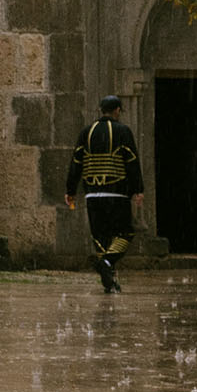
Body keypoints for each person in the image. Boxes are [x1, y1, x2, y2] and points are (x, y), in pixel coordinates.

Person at [65, 94, 146, 293]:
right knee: (125, 233)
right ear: (117, 110)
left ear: (101, 110)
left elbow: (76, 163)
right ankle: (107, 263)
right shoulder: (123, 131)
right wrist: (138, 189)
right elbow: (132, 162)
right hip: (116, 194)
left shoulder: (86, 132)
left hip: (92, 195)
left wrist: (70, 190)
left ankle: (109, 280)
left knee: (100, 238)